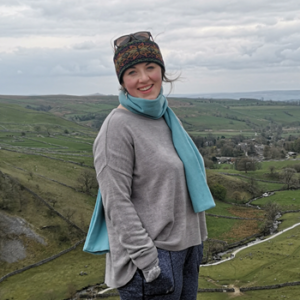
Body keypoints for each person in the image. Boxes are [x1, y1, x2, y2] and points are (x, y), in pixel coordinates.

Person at [92, 31, 215, 300]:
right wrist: (149, 263)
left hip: (187, 249)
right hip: (154, 257)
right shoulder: (117, 127)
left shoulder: (165, 116)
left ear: (161, 70)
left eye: (150, 67)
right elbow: (116, 202)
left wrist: (195, 247)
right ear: (123, 81)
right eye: (132, 72)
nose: (144, 78)